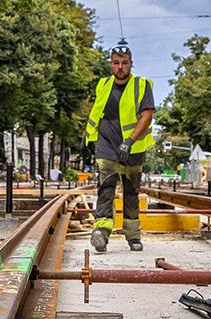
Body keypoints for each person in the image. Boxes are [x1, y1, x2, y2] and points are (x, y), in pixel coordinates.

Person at [84, 42, 155, 252]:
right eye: (116, 63)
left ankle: (133, 236)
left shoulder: (142, 85)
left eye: (124, 63)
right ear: (111, 65)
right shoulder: (103, 85)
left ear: (131, 64)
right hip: (106, 146)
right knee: (106, 188)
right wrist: (89, 139)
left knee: (131, 192)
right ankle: (101, 233)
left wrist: (130, 141)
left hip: (133, 150)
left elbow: (147, 116)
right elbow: (97, 113)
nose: (120, 67)